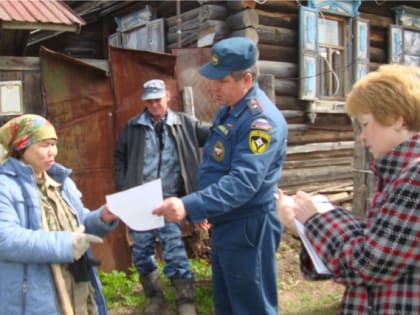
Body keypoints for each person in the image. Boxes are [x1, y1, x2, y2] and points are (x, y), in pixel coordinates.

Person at [153, 37, 288, 315]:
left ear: (247, 79)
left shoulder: (259, 122)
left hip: (248, 226)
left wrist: (190, 205)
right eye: (212, 78)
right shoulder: (230, 110)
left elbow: (243, 182)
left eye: (222, 81)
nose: (213, 87)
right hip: (227, 220)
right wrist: (205, 207)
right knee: (227, 302)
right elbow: (217, 163)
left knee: (251, 305)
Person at [277, 64, 420, 314]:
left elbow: (369, 264)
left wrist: (315, 219)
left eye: (366, 124)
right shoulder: (399, 175)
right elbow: (368, 246)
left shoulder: (415, 177)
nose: (362, 137)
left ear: (398, 119)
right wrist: (304, 223)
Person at [0, 114, 119, 315]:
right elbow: (6, 239)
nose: (52, 152)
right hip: (38, 297)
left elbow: (79, 224)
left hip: (77, 289)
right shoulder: (5, 186)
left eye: (54, 144)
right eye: (44, 145)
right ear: (22, 147)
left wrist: (101, 218)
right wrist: (66, 244)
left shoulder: (61, 181)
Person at [114, 79, 210, 315]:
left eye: (158, 98)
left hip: (169, 198)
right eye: (149, 100)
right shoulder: (132, 127)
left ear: (168, 96)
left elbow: (216, 135)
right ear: (144, 102)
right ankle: (155, 297)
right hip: (140, 198)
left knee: (174, 249)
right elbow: (120, 157)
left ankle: (184, 300)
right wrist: (124, 186)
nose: (154, 104)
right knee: (141, 250)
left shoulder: (186, 123)